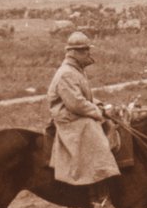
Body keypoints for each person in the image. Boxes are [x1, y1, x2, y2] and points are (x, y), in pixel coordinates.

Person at [48, 31, 120, 188]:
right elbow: (76, 103)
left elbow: (85, 97)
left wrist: (101, 105)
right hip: (69, 117)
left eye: (87, 49)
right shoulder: (67, 73)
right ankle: (97, 183)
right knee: (96, 137)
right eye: (83, 50)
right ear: (72, 53)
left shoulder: (76, 71)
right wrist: (99, 112)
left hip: (75, 112)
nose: (88, 53)